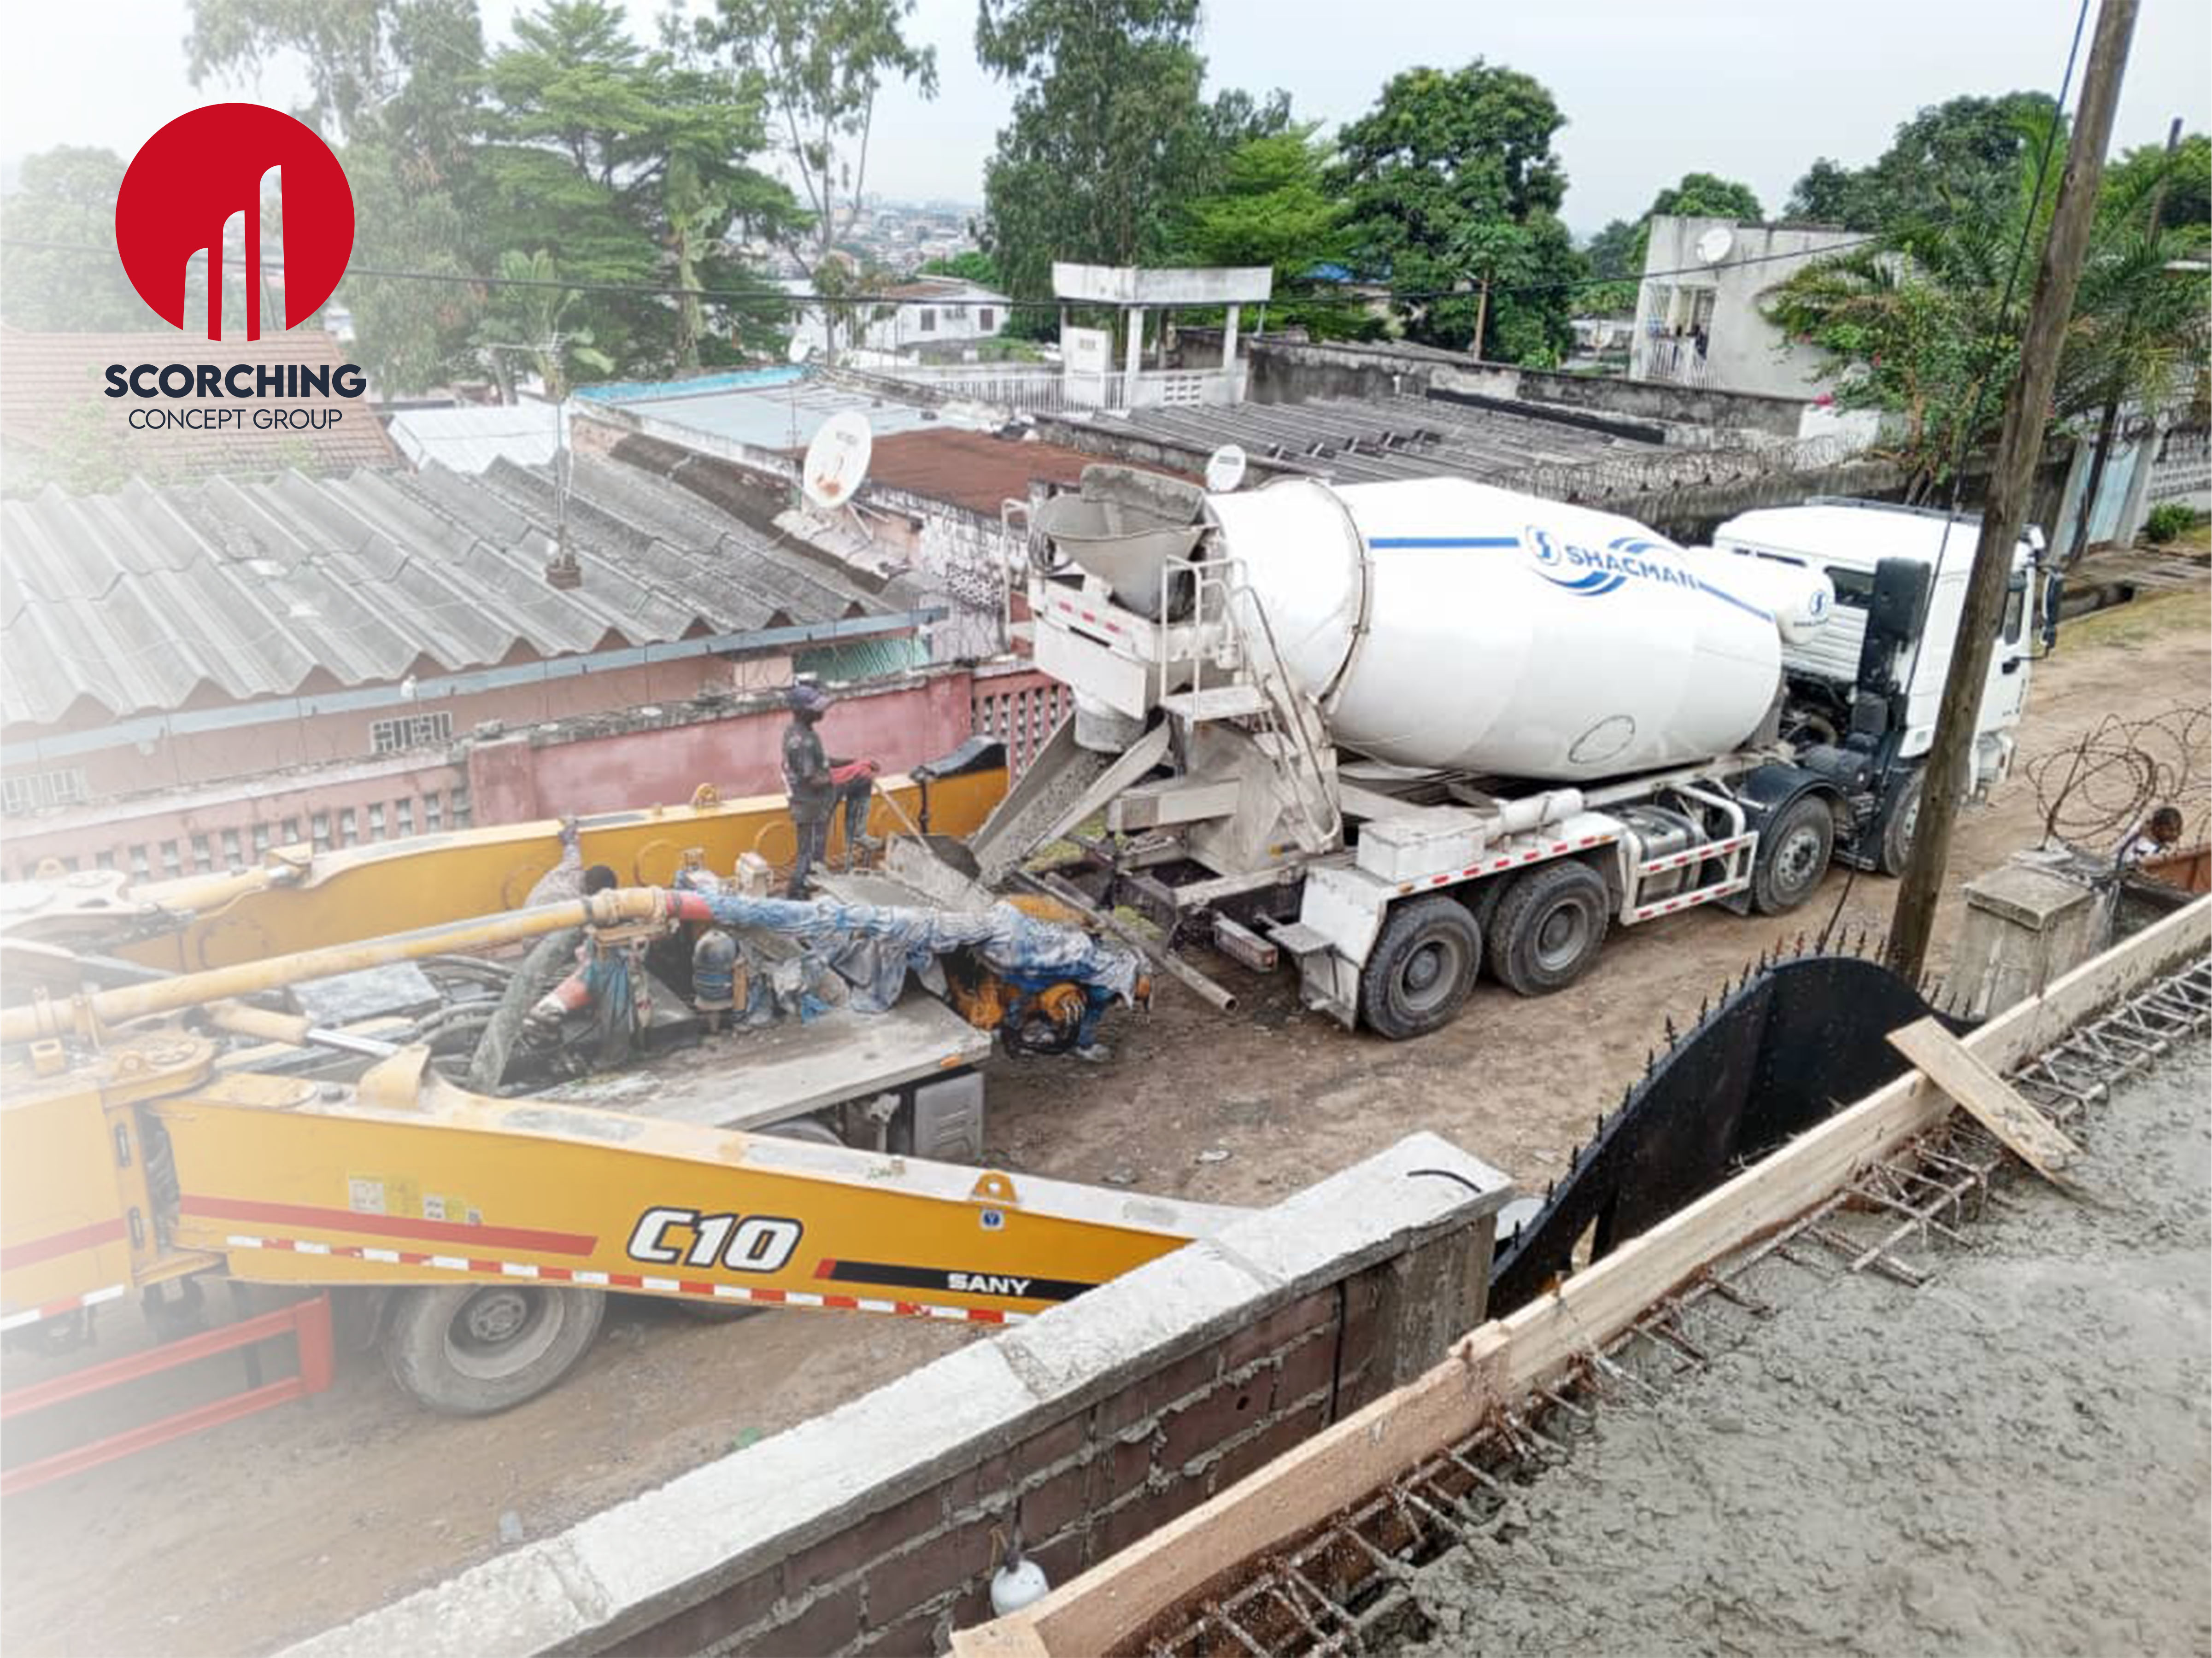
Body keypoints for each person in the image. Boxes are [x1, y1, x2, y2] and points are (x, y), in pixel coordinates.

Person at [780, 683, 878, 897]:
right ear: (802, 711)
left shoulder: (803, 733)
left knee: (810, 854)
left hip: (813, 803)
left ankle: (801, 890)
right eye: (816, 708)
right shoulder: (802, 741)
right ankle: (796, 894)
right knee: (808, 856)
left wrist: (853, 763)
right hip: (810, 805)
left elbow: (824, 762)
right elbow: (812, 779)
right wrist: (846, 775)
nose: (822, 712)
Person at [2115, 805, 2184, 868]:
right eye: (2171, 830)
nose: (2177, 834)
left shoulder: (2138, 832)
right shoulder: (2146, 846)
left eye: (2179, 829)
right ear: (2158, 828)